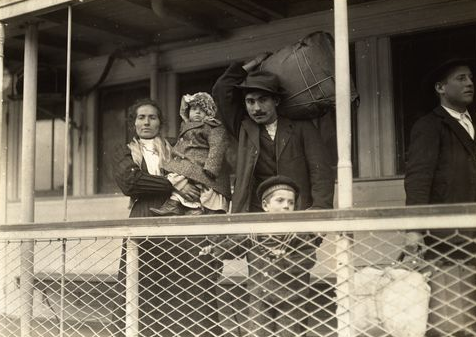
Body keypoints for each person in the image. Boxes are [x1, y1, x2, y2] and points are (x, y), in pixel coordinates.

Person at [113, 98, 222, 337]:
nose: (146, 122)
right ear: (133, 123)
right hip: (144, 215)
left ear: (160, 122)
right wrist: (174, 183)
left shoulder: (175, 145)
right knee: (142, 280)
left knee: (184, 280)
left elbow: (199, 162)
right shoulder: (126, 150)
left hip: (178, 216)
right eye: (141, 117)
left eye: (152, 117)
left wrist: (186, 184)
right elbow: (131, 182)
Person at [404, 58, 476, 336]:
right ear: (440, 88)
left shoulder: (471, 124)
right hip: (449, 239)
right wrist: (414, 230)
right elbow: (418, 180)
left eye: (470, 77)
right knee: (451, 318)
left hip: (473, 234)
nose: (469, 83)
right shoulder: (430, 125)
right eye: (460, 78)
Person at [212, 53, 335, 213]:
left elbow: (321, 171)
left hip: (294, 211)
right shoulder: (243, 128)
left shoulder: (302, 127)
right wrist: (254, 62)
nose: (256, 108)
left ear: (276, 101)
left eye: (263, 100)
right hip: (253, 213)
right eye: (250, 101)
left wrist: (320, 207)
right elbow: (221, 89)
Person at [202, 175, 319, 336]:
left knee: (288, 333)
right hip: (259, 297)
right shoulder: (254, 233)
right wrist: (215, 250)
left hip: (290, 299)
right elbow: (234, 247)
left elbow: (309, 258)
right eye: (280, 201)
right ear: (265, 205)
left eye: (291, 202)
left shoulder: (297, 233)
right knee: (258, 332)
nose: (286, 206)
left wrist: (286, 260)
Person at [151, 92, 231, 216]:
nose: (197, 112)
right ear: (188, 112)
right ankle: (175, 204)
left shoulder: (212, 127)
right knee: (176, 176)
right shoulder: (185, 126)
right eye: (194, 109)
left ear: (209, 113)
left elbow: (218, 146)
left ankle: (196, 207)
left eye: (202, 110)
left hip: (202, 163)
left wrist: (211, 167)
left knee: (203, 187)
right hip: (187, 160)